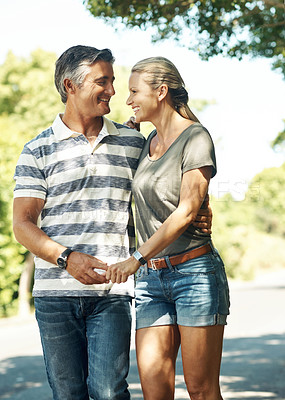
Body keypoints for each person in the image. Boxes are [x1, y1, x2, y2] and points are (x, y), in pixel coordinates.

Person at [12, 46, 212, 400]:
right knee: (68, 393)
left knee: (108, 392)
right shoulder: (36, 150)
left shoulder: (134, 142)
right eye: (102, 82)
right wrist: (66, 257)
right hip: (55, 294)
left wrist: (201, 207)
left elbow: (169, 179)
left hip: (113, 293)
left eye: (114, 82)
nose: (113, 91)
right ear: (70, 85)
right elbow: (23, 224)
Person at [106, 57, 230, 400]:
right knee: (154, 391)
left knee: (201, 389)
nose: (128, 100)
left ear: (161, 92)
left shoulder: (196, 138)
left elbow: (188, 209)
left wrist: (136, 256)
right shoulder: (143, 141)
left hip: (194, 274)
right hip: (151, 282)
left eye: (134, 91)